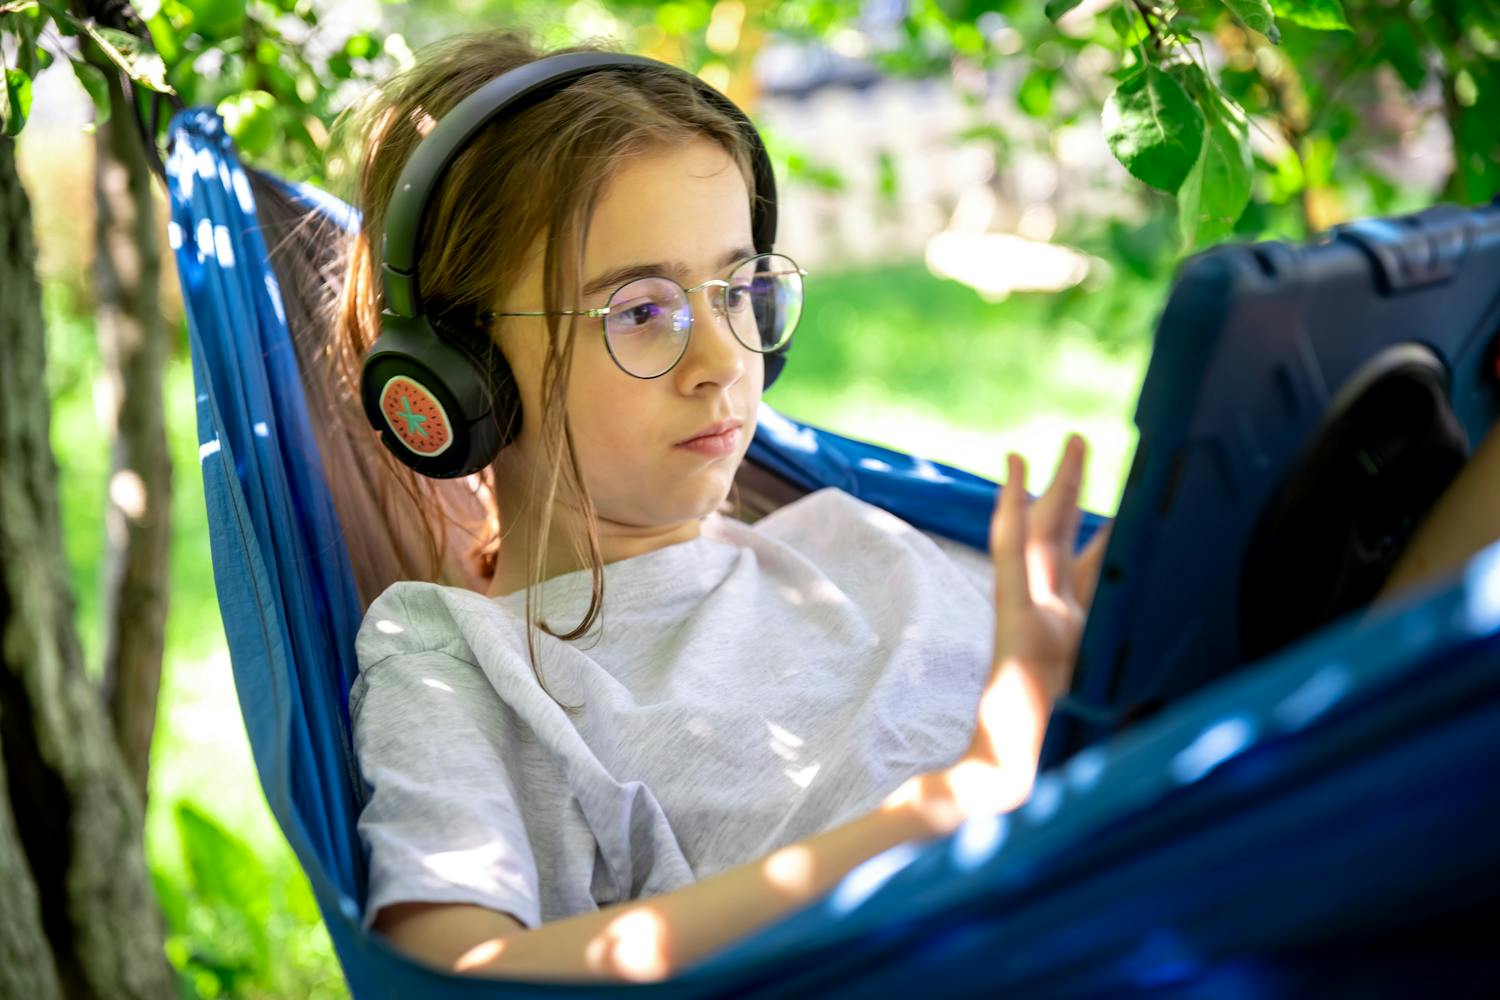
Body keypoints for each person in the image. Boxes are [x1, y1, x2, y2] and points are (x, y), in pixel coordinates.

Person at [326, 28, 1500, 986]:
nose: (723, 359)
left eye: (740, 289)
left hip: (1165, 828)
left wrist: (1120, 612)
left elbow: (1057, 705)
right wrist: (957, 801)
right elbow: (454, 970)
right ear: (458, 380)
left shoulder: (839, 532)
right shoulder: (458, 658)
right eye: (642, 312)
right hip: (1024, 938)